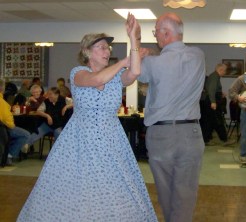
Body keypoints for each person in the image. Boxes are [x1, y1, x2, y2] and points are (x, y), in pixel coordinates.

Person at [17, 13, 157, 222]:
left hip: (111, 138)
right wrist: (123, 62)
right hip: (81, 141)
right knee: (80, 188)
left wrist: (134, 38)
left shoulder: (117, 76)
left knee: (112, 186)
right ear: (87, 52)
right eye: (101, 47)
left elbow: (134, 71)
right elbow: (96, 79)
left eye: (107, 47)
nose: (106, 50)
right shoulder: (78, 72)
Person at [139, 13, 205, 222]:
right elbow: (175, 62)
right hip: (191, 133)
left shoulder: (152, 63)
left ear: (165, 33)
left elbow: (138, 75)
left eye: (156, 31)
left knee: (166, 193)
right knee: (186, 194)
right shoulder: (198, 55)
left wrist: (142, 55)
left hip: (161, 134)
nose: (155, 35)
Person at [200, 63, 235, 146]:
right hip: (211, 101)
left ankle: (206, 139)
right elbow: (211, 90)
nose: (225, 72)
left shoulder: (214, 76)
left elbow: (212, 89)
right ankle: (224, 140)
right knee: (218, 121)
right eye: (225, 71)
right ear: (221, 70)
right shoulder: (215, 77)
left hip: (209, 101)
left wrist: (220, 93)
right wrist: (213, 102)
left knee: (209, 122)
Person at [0, 79, 30, 165]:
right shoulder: (2, 102)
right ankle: (9, 155)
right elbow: (7, 119)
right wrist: (12, 125)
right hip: (3, 128)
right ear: (2, 89)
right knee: (25, 134)